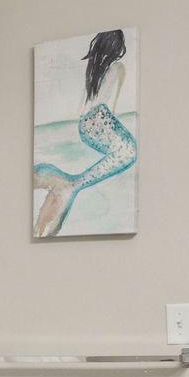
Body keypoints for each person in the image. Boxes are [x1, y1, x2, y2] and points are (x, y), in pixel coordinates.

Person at [34, 29, 138, 237]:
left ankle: (64, 182)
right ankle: (72, 184)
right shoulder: (118, 67)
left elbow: (83, 107)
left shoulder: (92, 70)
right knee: (129, 151)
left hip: (84, 125)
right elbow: (111, 105)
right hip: (101, 118)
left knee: (126, 151)